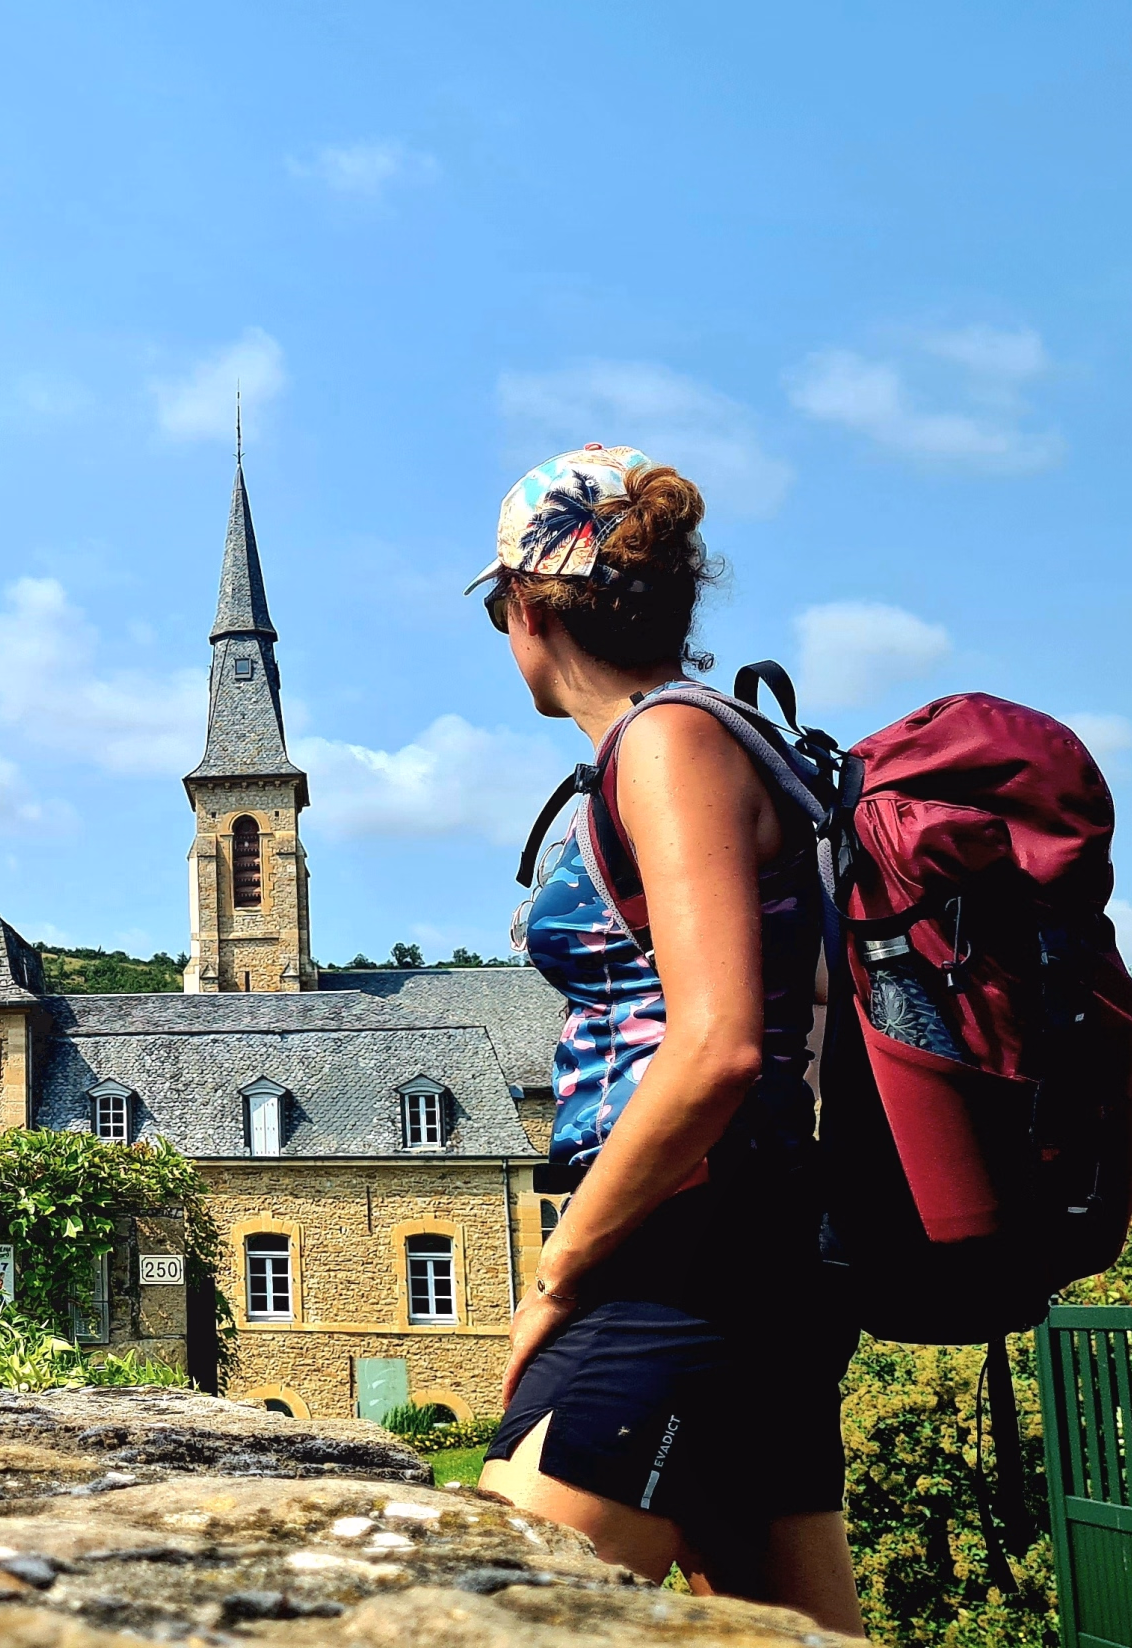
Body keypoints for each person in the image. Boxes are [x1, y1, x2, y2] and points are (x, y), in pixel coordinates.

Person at [469, 444, 865, 1638]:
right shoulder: (730, 739)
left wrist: (558, 1273)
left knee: (488, 1610)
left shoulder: (669, 744)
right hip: (759, 1251)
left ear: (529, 611)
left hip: (682, 1258)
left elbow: (715, 1048)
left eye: (499, 612)